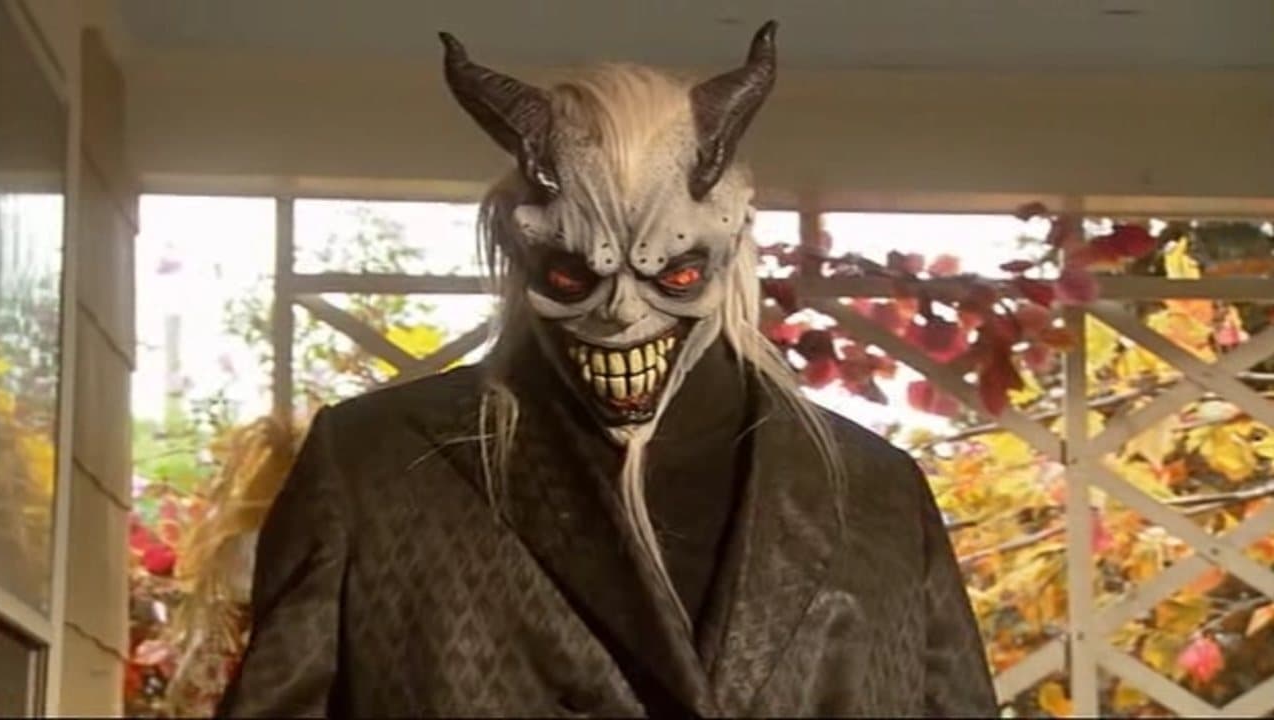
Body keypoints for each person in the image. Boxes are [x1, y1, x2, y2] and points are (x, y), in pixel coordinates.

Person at [216, 21, 997, 718]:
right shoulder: (375, 468)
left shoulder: (876, 493)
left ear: (730, 241)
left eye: (673, 275)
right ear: (521, 247)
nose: (622, 313)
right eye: (573, 276)